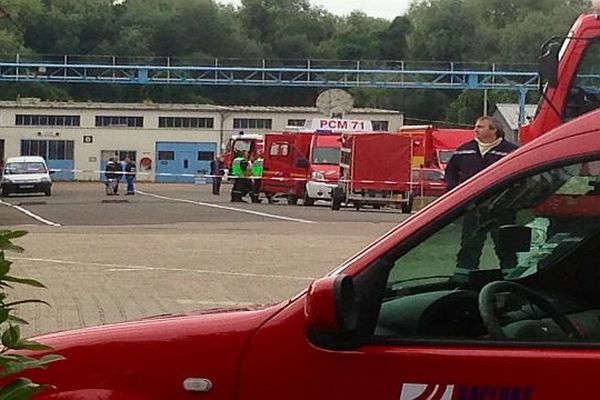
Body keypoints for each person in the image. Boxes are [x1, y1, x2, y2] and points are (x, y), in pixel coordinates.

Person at [444, 116, 519, 275]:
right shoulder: (464, 150)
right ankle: (463, 278)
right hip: (472, 209)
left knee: (505, 247)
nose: (475, 129)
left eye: (480, 127)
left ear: (494, 130)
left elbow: (520, 179)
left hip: (502, 209)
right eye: (476, 126)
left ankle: (512, 278)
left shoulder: (511, 152)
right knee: (469, 246)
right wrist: (454, 193)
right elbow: (450, 173)